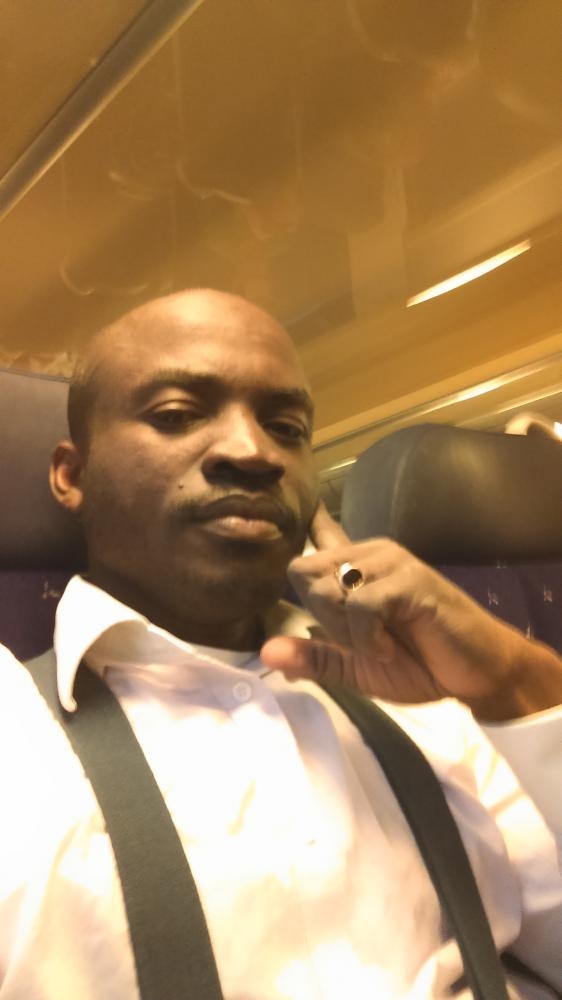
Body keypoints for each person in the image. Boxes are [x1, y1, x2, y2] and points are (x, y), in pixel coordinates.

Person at [0, 288, 560, 1000]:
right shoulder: (14, 733)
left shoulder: (426, 696)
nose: (253, 451)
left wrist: (514, 679)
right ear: (73, 476)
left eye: (287, 427)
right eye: (176, 414)